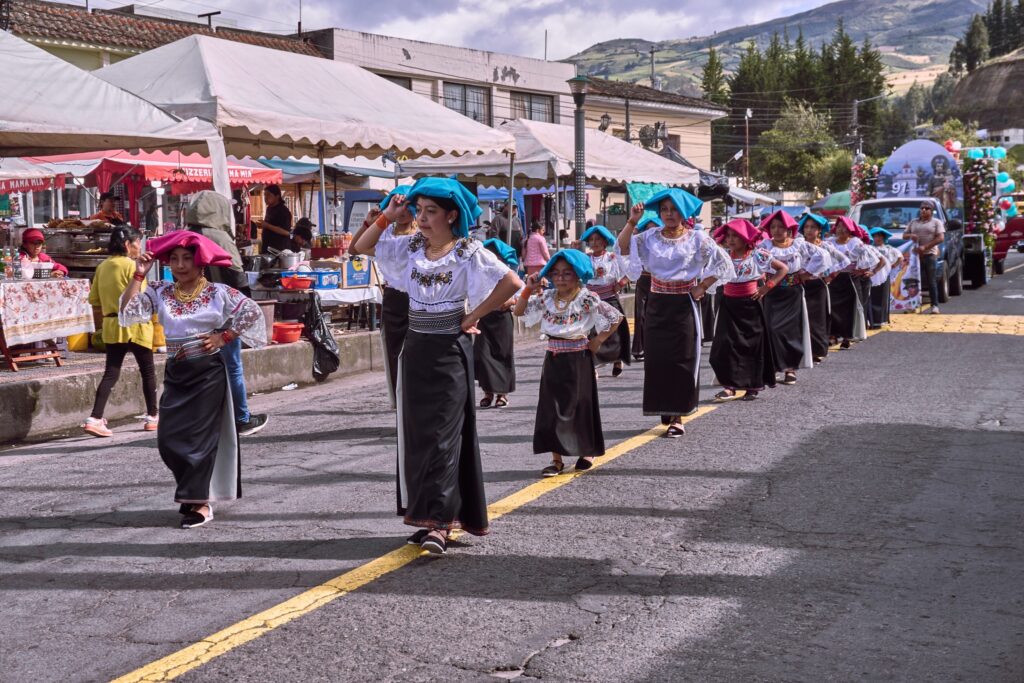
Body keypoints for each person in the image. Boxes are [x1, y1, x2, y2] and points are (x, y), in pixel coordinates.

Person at [353, 177, 522, 555]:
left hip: (449, 351)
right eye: (419, 210)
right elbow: (361, 246)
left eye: (431, 211)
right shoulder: (412, 246)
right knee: (419, 437)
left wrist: (473, 315)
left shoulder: (467, 251)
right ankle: (427, 515)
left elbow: (512, 282)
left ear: (451, 215)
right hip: (415, 349)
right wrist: (387, 215)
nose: (423, 218)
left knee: (445, 437)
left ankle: (441, 523)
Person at [119, 230, 267, 529]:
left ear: (200, 262)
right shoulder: (160, 291)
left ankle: (199, 502)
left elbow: (252, 312)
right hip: (176, 372)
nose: (180, 265)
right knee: (169, 440)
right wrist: (139, 274)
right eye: (174, 259)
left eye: (187, 258)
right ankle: (192, 492)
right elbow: (127, 311)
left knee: (198, 441)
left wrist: (225, 336)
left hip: (208, 372)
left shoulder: (218, 292)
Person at [616, 189, 734, 438]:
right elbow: (623, 247)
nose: (669, 214)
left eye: (674, 210)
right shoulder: (650, 237)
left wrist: (702, 286)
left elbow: (723, 262)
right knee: (657, 359)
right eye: (664, 210)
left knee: (683, 358)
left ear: (683, 213)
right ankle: (664, 406)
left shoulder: (697, 238)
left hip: (684, 304)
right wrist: (632, 221)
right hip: (657, 303)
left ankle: (678, 415)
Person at [516, 250, 622, 477]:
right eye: (555, 273)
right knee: (551, 409)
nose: (560, 278)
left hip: (579, 359)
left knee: (580, 406)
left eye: (567, 273)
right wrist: (528, 288)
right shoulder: (547, 298)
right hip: (553, 359)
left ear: (578, 275)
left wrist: (598, 340)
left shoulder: (586, 298)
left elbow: (615, 318)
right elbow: (518, 311)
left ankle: (587, 451)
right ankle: (556, 460)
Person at [186, 191, 268, 436]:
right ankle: (241, 419)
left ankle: (202, 422)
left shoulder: (186, 236)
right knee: (232, 366)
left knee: (200, 368)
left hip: (193, 313)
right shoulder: (219, 238)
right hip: (222, 314)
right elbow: (237, 276)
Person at [82, 226, 157, 437]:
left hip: (112, 324)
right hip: (136, 325)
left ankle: (95, 418)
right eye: (138, 242)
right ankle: (153, 416)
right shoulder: (133, 266)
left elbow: (94, 300)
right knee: (147, 371)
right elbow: (141, 296)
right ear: (127, 244)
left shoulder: (102, 266)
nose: (140, 247)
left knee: (111, 372)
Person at [350, 186, 416, 405]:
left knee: (418, 351)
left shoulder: (422, 234)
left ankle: (416, 398)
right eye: (398, 205)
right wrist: (369, 223)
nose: (403, 211)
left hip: (419, 297)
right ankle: (400, 399)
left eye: (407, 206)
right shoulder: (385, 234)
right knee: (394, 351)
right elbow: (354, 249)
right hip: (394, 299)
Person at [710, 219, 787, 402]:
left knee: (751, 346)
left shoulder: (758, 255)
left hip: (751, 305)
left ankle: (752, 386)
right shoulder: (723, 256)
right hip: (728, 305)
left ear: (746, 238)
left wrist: (766, 287)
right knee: (725, 345)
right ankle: (729, 386)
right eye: (728, 236)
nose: (730, 240)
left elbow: (783, 269)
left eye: (735, 236)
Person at [757, 210, 829, 385]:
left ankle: (790, 368)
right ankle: (774, 366)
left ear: (789, 230)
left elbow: (823, 256)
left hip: (793, 292)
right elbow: (755, 262)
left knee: (792, 330)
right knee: (772, 329)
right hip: (772, 292)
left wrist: (807, 273)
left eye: (780, 227)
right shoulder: (765, 246)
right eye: (773, 227)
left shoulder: (799, 244)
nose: (776, 230)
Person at [799, 213, 850, 363]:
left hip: (818, 286)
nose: (809, 230)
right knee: (800, 318)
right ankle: (801, 351)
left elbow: (844, 260)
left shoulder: (825, 246)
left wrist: (830, 275)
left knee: (817, 319)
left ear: (820, 230)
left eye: (813, 227)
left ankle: (817, 350)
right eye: (806, 227)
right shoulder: (798, 245)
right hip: (799, 285)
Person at [581, 224, 630, 377]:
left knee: (615, 331)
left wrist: (621, 283)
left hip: (609, 298)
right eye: (591, 240)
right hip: (591, 300)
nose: (594, 242)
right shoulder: (585, 258)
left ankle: (617, 359)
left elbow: (630, 270)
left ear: (604, 242)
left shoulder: (612, 257)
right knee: (591, 332)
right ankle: (593, 365)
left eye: (598, 239)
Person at [477, 238, 519, 408]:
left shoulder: (510, 275)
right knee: (483, 355)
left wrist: (510, 301)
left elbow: (520, 296)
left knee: (503, 355)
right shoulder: (480, 276)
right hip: (485, 318)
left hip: (502, 320)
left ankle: (503, 394)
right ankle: (487, 392)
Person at [827, 217, 880, 349]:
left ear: (850, 229)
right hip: (833, 279)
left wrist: (862, 270)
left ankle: (847, 337)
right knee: (832, 306)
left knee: (849, 309)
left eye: (844, 227)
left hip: (850, 279)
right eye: (839, 226)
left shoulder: (855, 242)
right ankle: (833, 335)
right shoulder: (830, 242)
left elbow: (873, 258)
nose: (841, 229)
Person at [629, 214, 662, 362]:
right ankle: (639, 348)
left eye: (654, 229)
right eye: (648, 229)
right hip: (643, 280)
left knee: (657, 316)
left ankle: (656, 347)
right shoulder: (639, 242)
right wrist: (634, 229)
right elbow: (625, 247)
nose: (651, 231)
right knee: (640, 314)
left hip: (659, 282)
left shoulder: (664, 245)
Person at [903, 202, 945, 314]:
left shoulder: (936, 222)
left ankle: (935, 306)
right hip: (915, 257)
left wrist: (926, 247)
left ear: (931, 211)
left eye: (927, 208)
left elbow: (941, 238)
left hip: (929, 254)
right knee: (913, 281)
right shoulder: (913, 222)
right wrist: (911, 235)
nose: (924, 210)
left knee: (931, 281)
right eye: (922, 208)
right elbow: (904, 235)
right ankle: (912, 305)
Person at [868, 227, 903, 328]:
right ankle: (872, 319)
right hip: (872, 276)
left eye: (879, 236)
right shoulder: (870, 248)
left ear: (884, 238)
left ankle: (881, 320)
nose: (877, 238)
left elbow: (900, 257)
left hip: (884, 276)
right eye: (875, 236)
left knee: (882, 298)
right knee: (872, 297)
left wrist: (894, 265)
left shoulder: (888, 249)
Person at [255, 184, 292, 254]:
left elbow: (286, 232)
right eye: (264, 195)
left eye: (268, 195)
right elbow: (270, 225)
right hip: (267, 248)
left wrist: (266, 225)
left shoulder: (283, 211)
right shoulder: (269, 208)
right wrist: (262, 225)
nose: (265, 198)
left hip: (279, 251)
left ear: (277, 196)